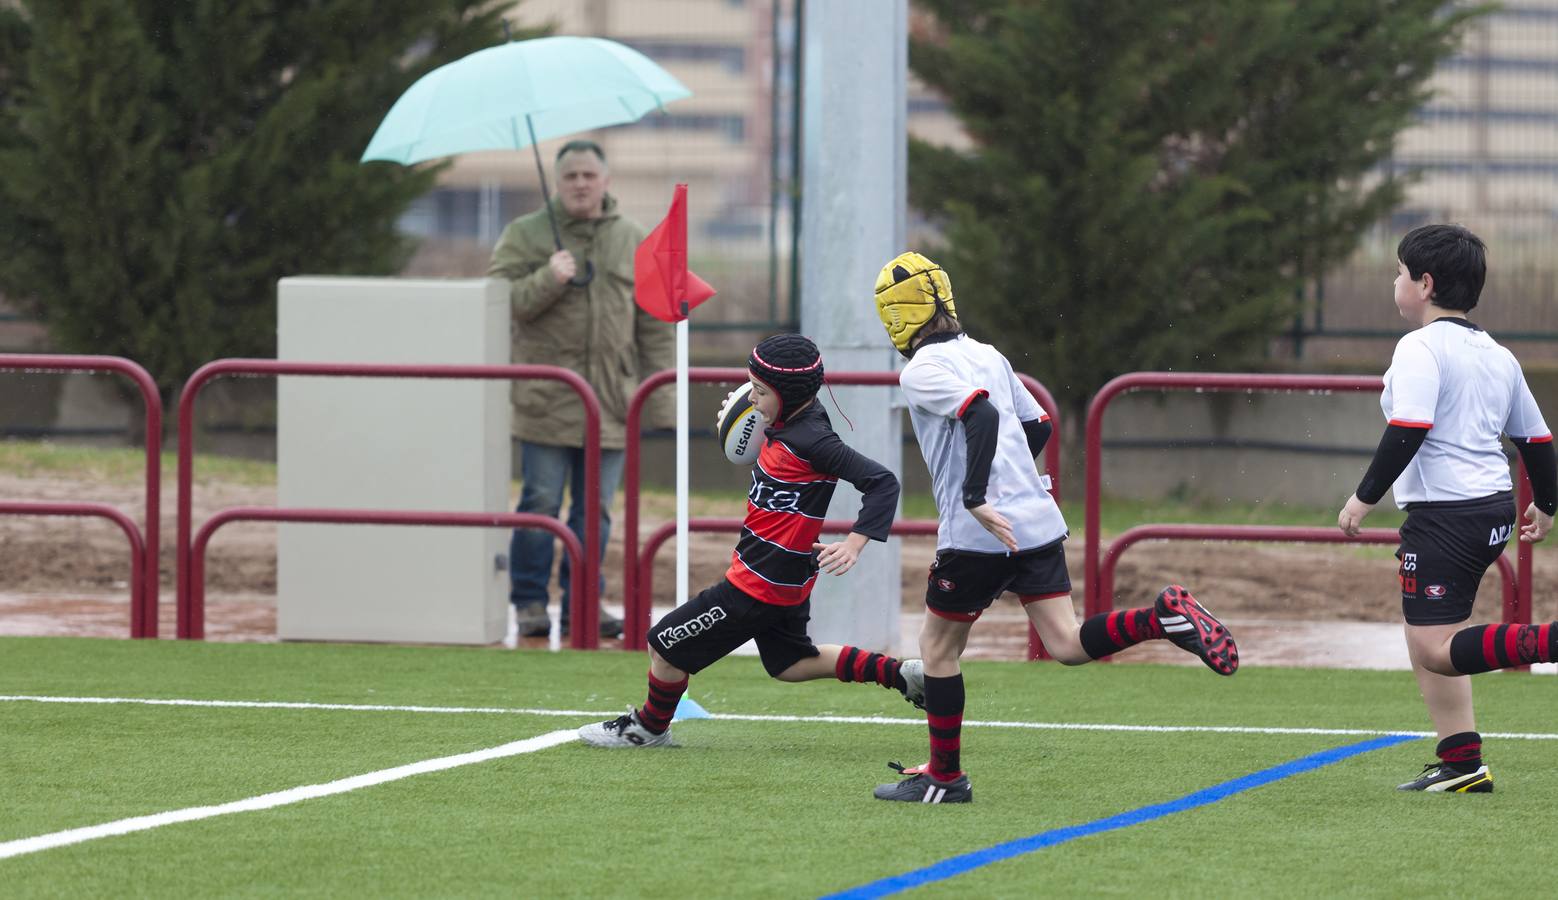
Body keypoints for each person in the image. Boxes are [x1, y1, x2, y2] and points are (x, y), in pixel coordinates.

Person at [868, 252, 1239, 805]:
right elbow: (1035, 422)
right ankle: (1159, 618)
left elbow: (983, 417)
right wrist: (1013, 482)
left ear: (896, 315)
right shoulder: (987, 353)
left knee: (937, 650)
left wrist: (976, 497)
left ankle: (944, 779)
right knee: (1065, 642)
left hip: (980, 534)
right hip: (1037, 520)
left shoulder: (920, 370)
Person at [578, 334, 925, 748]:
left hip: (759, 584)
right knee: (790, 662)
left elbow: (882, 482)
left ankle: (648, 728)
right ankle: (900, 674)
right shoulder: (791, 422)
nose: (752, 400)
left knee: (664, 644)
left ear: (788, 394)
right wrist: (746, 417)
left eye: (759, 392)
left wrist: (854, 542)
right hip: (786, 575)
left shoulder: (813, 440)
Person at [1336, 224, 1557, 794]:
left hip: (1448, 516)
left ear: (1425, 283)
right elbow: (1536, 439)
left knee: (1436, 651)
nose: (1395, 281)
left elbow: (1409, 426)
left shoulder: (1419, 347)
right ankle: (1462, 765)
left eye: (1399, 272)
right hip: (1491, 510)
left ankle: (1553, 643)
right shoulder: (1496, 353)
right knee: (1427, 638)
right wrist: (1549, 505)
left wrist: (1363, 498)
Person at [489, 140, 674, 639]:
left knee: (596, 512)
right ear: (557, 182)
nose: (580, 183)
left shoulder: (633, 238)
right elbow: (498, 301)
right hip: (546, 402)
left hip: (613, 403)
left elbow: (655, 325)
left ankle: (582, 606)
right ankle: (529, 603)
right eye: (570, 176)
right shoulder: (525, 235)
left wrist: (661, 401)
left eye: (589, 174)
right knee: (540, 503)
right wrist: (548, 278)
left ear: (605, 180)